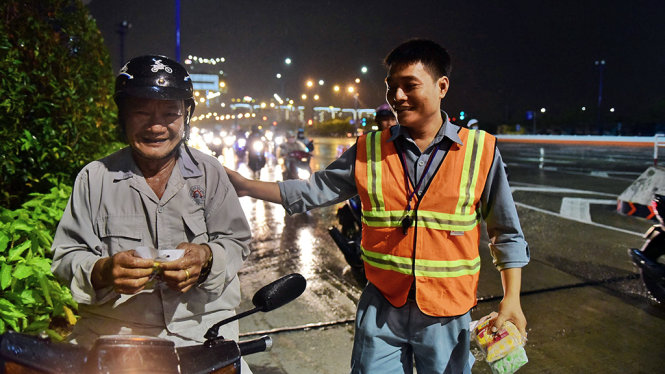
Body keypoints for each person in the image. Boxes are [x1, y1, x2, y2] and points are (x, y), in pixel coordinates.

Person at [225, 38, 529, 373]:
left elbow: (506, 233)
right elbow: (313, 190)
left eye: (409, 85)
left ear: (442, 86)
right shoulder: (369, 148)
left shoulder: (480, 151)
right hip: (382, 308)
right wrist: (245, 185)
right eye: (391, 87)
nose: (397, 96)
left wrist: (511, 298)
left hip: (446, 313)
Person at [50, 55, 253, 370]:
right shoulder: (94, 177)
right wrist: (103, 271)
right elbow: (65, 256)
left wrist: (207, 258)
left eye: (170, 113)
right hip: (115, 339)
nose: (156, 126)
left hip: (202, 337)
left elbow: (238, 241)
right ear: (123, 117)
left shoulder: (209, 172)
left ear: (186, 116)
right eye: (141, 112)